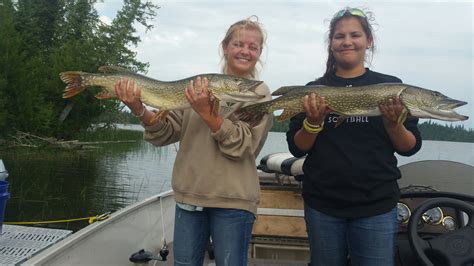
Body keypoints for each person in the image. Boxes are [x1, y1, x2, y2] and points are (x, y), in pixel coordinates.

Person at [115, 16, 272, 265]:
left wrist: (209, 114)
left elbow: (244, 147)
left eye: (253, 47)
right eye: (239, 44)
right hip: (190, 196)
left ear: (260, 52)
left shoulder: (259, 93)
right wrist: (138, 109)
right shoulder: (197, 87)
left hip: (234, 200)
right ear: (225, 47)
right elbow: (165, 133)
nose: (245, 51)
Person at [286, 7, 422, 266]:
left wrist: (394, 125)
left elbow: (409, 147)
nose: (347, 41)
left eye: (355, 35)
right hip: (322, 203)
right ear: (331, 44)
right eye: (340, 36)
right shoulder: (313, 91)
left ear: (368, 41)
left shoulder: (392, 88)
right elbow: (297, 147)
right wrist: (313, 123)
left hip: (376, 205)